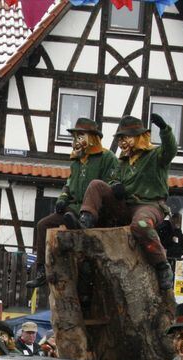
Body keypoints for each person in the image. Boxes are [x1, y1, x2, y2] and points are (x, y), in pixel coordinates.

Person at [69, 114, 176, 294]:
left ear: (139, 137)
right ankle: (86, 220)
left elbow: (171, 150)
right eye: (120, 138)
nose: (122, 142)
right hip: (126, 205)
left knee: (141, 225)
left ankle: (162, 265)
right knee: (96, 185)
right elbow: (112, 180)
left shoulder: (156, 156)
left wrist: (165, 129)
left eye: (125, 137)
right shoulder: (122, 162)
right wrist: (115, 186)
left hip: (149, 205)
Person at [26, 118, 119, 289]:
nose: (75, 141)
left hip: (96, 210)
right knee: (43, 225)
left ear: (92, 137)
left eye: (80, 136)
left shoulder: (107, 158)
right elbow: (68, 185)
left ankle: (80, 223)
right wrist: (62, 199)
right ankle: (41, 271)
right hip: (74, 207)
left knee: (80, 241)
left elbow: (111, 184)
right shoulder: (76, 161)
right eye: (74, 137)